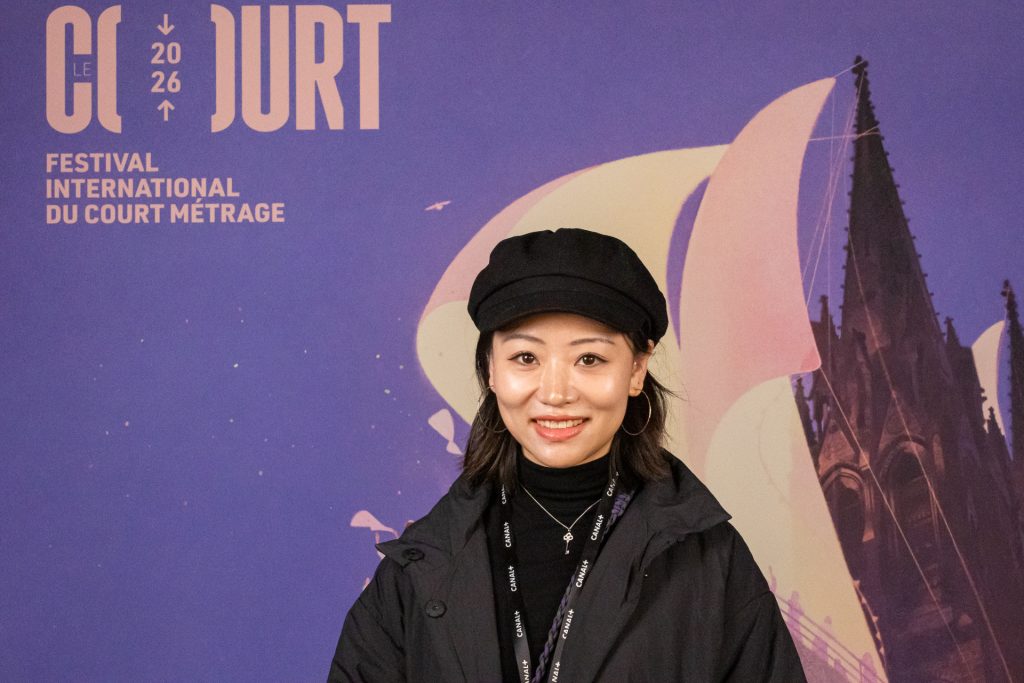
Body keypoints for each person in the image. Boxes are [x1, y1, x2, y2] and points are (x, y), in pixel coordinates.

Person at [328, 228, 805, 682]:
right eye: (526, 358)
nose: (555, 393)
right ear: (491, 369)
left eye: (589, 359)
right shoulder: (422, 564)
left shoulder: (710, 561)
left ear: (637, 370)